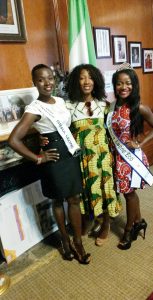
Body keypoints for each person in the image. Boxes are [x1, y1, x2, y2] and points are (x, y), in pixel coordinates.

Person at [8, 64, 91, 264]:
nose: (47, 83)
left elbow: (67, 125)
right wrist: (38, 157)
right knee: (57, 200)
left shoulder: (61, 101)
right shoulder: (34, 108)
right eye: (41, 79)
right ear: (34, 82)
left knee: (74, 199)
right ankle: (64, 239)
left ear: (55, 80)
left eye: (50, 78)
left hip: (68, 153)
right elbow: (14, 140)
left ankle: (77, 241)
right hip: (52, 158)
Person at [107, 63, 153, 250]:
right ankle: (139, 221)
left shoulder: (138, 107)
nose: (124, 87)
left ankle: (129, 229)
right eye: (119, 83)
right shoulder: (112, 107)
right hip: (116, 156)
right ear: (114, 86)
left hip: (129, 159)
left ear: (134, 85)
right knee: (128, 193)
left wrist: (140, 143)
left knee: (129, 195)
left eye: (128, 83)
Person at [65, 64, 122, 246]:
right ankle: (90, 220)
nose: (86, 81)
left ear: (96, 80)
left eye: (90, 77)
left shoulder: (104, 105)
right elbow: (60, 130)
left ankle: (105, 224)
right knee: (88, 192)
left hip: (103, 157)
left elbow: (115, 129)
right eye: (82, 77)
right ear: (76, 81)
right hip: (82, 160)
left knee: (105, 190)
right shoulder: (68, 106)